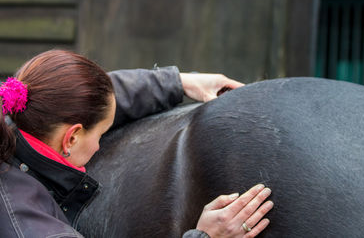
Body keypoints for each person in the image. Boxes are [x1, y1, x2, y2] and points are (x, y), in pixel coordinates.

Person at [0, 50, 274, 238]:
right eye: (101, 133)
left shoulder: (25, 112)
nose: (99, 146)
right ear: (71, 137)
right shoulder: (24, 223)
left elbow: (91, 95)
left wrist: (179, 82)